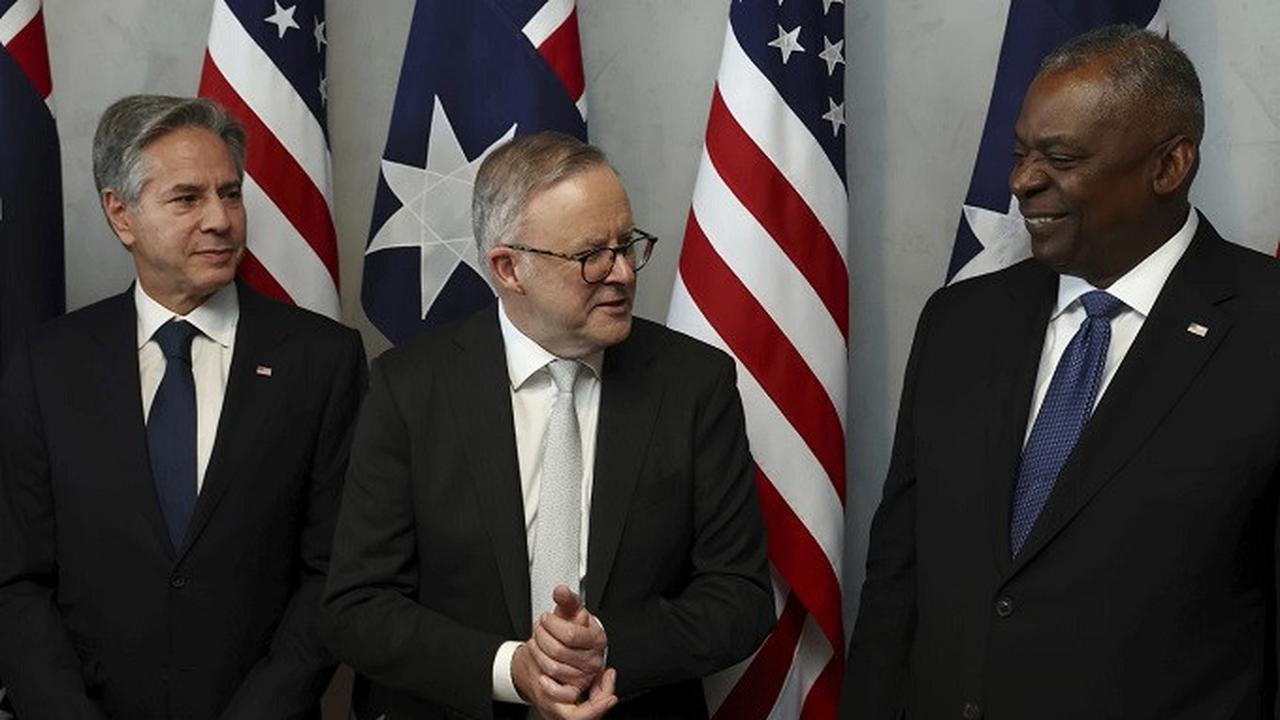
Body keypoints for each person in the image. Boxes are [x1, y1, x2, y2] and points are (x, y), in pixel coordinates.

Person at [843, 25, 1280, 720]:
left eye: (1061, 157)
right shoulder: (960, 322)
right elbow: (899, 575)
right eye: (1020, 153)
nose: (1022, 181)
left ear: (1169, 166)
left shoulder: (1263, 331)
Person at [322, 131, 774, 719]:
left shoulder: (694, 385)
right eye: (591, 255)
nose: (622, 273)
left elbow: (739, 598)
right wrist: (511, 669)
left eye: (627, 244)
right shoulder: (410, 389)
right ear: (510, 269)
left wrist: (604, 647)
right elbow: (358, 608)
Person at [0, 95, 366, 719]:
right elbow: (16, 578)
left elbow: (333, 571)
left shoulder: (322, 361)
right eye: (187, 198)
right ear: (122, 215)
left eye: (230, 193)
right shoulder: (47, 364)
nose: (221, 219)